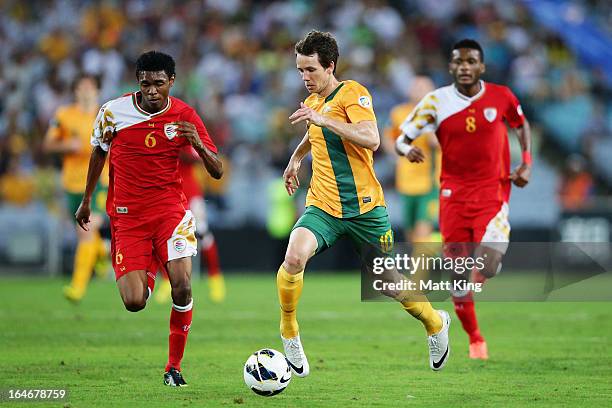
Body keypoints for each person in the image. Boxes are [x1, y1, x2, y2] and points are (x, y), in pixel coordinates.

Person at [278, 30, 451, 376]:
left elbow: (371, 138)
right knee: (294, 256)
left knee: (388, 282)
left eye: (310, 69)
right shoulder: (312, 104)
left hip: (366, 210)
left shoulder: (353, 93)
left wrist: (324, 120)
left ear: (330, 66)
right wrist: (296, 160)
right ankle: (289, 330)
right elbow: (314, 134)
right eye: (300, 70)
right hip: (324, 206)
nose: (304, 77)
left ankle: (435, 323)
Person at [75, 51, 223, 386]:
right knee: (134, 302)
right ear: (137, 82)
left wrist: (196, 142)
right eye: (145, 84)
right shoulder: (112, 112)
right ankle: (153, 263)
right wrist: (86, 200)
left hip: (171, 211)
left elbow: (217, 170)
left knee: (183, 286)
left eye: (159, 83)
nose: (152, 90)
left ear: (171, 81)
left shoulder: (184, 114)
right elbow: (98, 150)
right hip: (127, 217)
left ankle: (174, 366)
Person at [396, 39, 532, 360]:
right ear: (451, 67)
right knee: (457, 277)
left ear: (481, 66)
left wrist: (525, 162)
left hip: (492, 192)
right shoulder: (436, 101)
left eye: (471, 62)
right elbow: (402, 138)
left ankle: (480, 273)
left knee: (490, 265)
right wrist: (407, 150)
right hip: (453, 195)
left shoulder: (501, 96)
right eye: (459, 62)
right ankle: (475, 337)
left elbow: (520, 123)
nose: (465, 67)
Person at [43, 74, 109, 303]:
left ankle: (77, 287)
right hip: (72, 184)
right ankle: (101, 254)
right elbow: (48, 143)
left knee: (86, 230)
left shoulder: (107, 115)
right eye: (81, 87)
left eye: (90, 87)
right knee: (87, 233)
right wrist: (66, 144)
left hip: (100, 181)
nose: (86, 91)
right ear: (75, 91)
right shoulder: (64, 115)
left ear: (98, 91)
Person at [155, 145, 226, 304]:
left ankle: (215, 279)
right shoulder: (161, 133)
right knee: (162, 237)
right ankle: (167, 281)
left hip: (192, 195)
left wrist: (178, 148)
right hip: (170, 194)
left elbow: (199, 157)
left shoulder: (187, 137)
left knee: (203, 234)